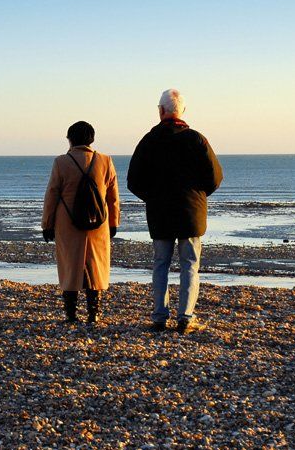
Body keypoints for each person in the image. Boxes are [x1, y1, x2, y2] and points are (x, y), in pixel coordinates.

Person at [127, 89, 223, 334]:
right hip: (191, 212)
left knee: (161, 264)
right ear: (183, 111)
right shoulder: (197, 139)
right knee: (190, 264)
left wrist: (152, 197)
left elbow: (133, 180)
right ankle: (185, 317)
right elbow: (214, 177)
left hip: (160, 212)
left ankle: (160, 316)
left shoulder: (149, 140)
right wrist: (199, 196)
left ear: (161, 111)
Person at [41, 121, 120, 324]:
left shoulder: (61, 162)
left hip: (68, 223)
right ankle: (93, 314)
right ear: (91, 139)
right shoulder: (105, 160)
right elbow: (113, 197)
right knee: (96, 266)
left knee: (69, 266)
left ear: (70, 139)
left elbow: (52, 195)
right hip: (98, 223)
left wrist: (47, 224)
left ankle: (71, 315)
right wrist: (113, 223)